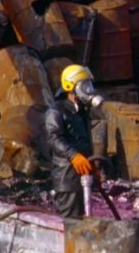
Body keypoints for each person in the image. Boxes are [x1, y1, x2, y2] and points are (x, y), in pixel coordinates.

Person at [45, 65, 106, 218]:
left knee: (83, 218)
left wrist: (92, 166)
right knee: (70, 223)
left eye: (89, 85)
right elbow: (54, 138)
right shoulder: (56, 110)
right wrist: (73, 155)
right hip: (66, 178)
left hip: (82, 176)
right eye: (85, 86)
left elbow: (86, 141)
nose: (89, 90)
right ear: (70, 87)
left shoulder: (82, 111)